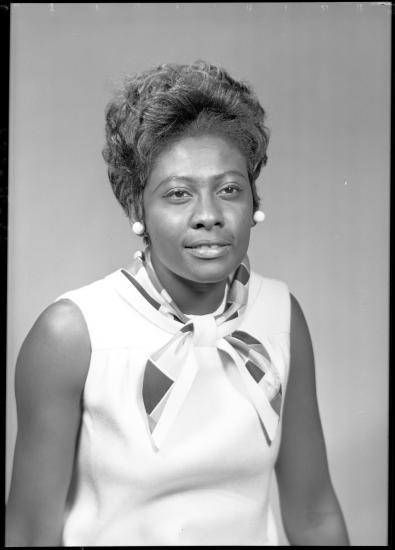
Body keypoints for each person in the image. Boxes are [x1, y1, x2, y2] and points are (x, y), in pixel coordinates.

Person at [6, 60, 350, 546]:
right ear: (135, 207)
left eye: (229, 189)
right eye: (178, 194)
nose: (208, 215)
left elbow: (314, 514)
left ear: (255, 200)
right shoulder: (73, 333)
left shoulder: (281, 314)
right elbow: (27, 533)